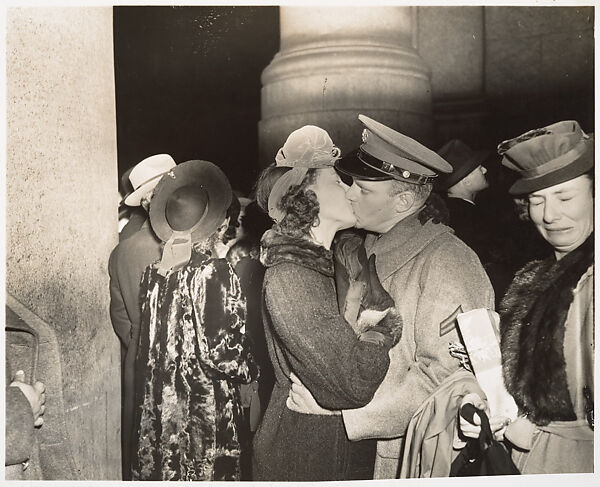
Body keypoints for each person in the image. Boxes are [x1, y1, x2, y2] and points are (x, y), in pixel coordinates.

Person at [288, 115, 495, 478]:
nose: (349, 192)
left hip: (405, 458)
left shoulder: (448, 262)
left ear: (402, 201)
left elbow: (446, 383)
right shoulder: (364, 248)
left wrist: (342, 412)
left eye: (363, 189)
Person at [251, 125, 403, 481]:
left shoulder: (329, 262)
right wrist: (378, 326)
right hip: (300, 451)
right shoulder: (292, 276)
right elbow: (353, 382)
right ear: (308, 195)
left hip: (320, 444)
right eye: (338, 182)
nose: (352, 191)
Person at [459, 120, 594, 474]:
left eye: (565, 197)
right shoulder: (531, 277)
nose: (549, 215)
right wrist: (491, 406)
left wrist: (538, 434)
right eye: (537, 201)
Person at [131, 159, 259, 481]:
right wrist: (252, 367)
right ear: (213, 223)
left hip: (161, 414)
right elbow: (221, 355)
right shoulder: (212, 272)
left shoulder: (153, 275)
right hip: (202, 418)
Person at [107, 153, 176, 479]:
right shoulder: (188, 247)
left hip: (141, 362)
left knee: (147, 459)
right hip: (183, 369)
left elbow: (121, 317)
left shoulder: (123, 251)